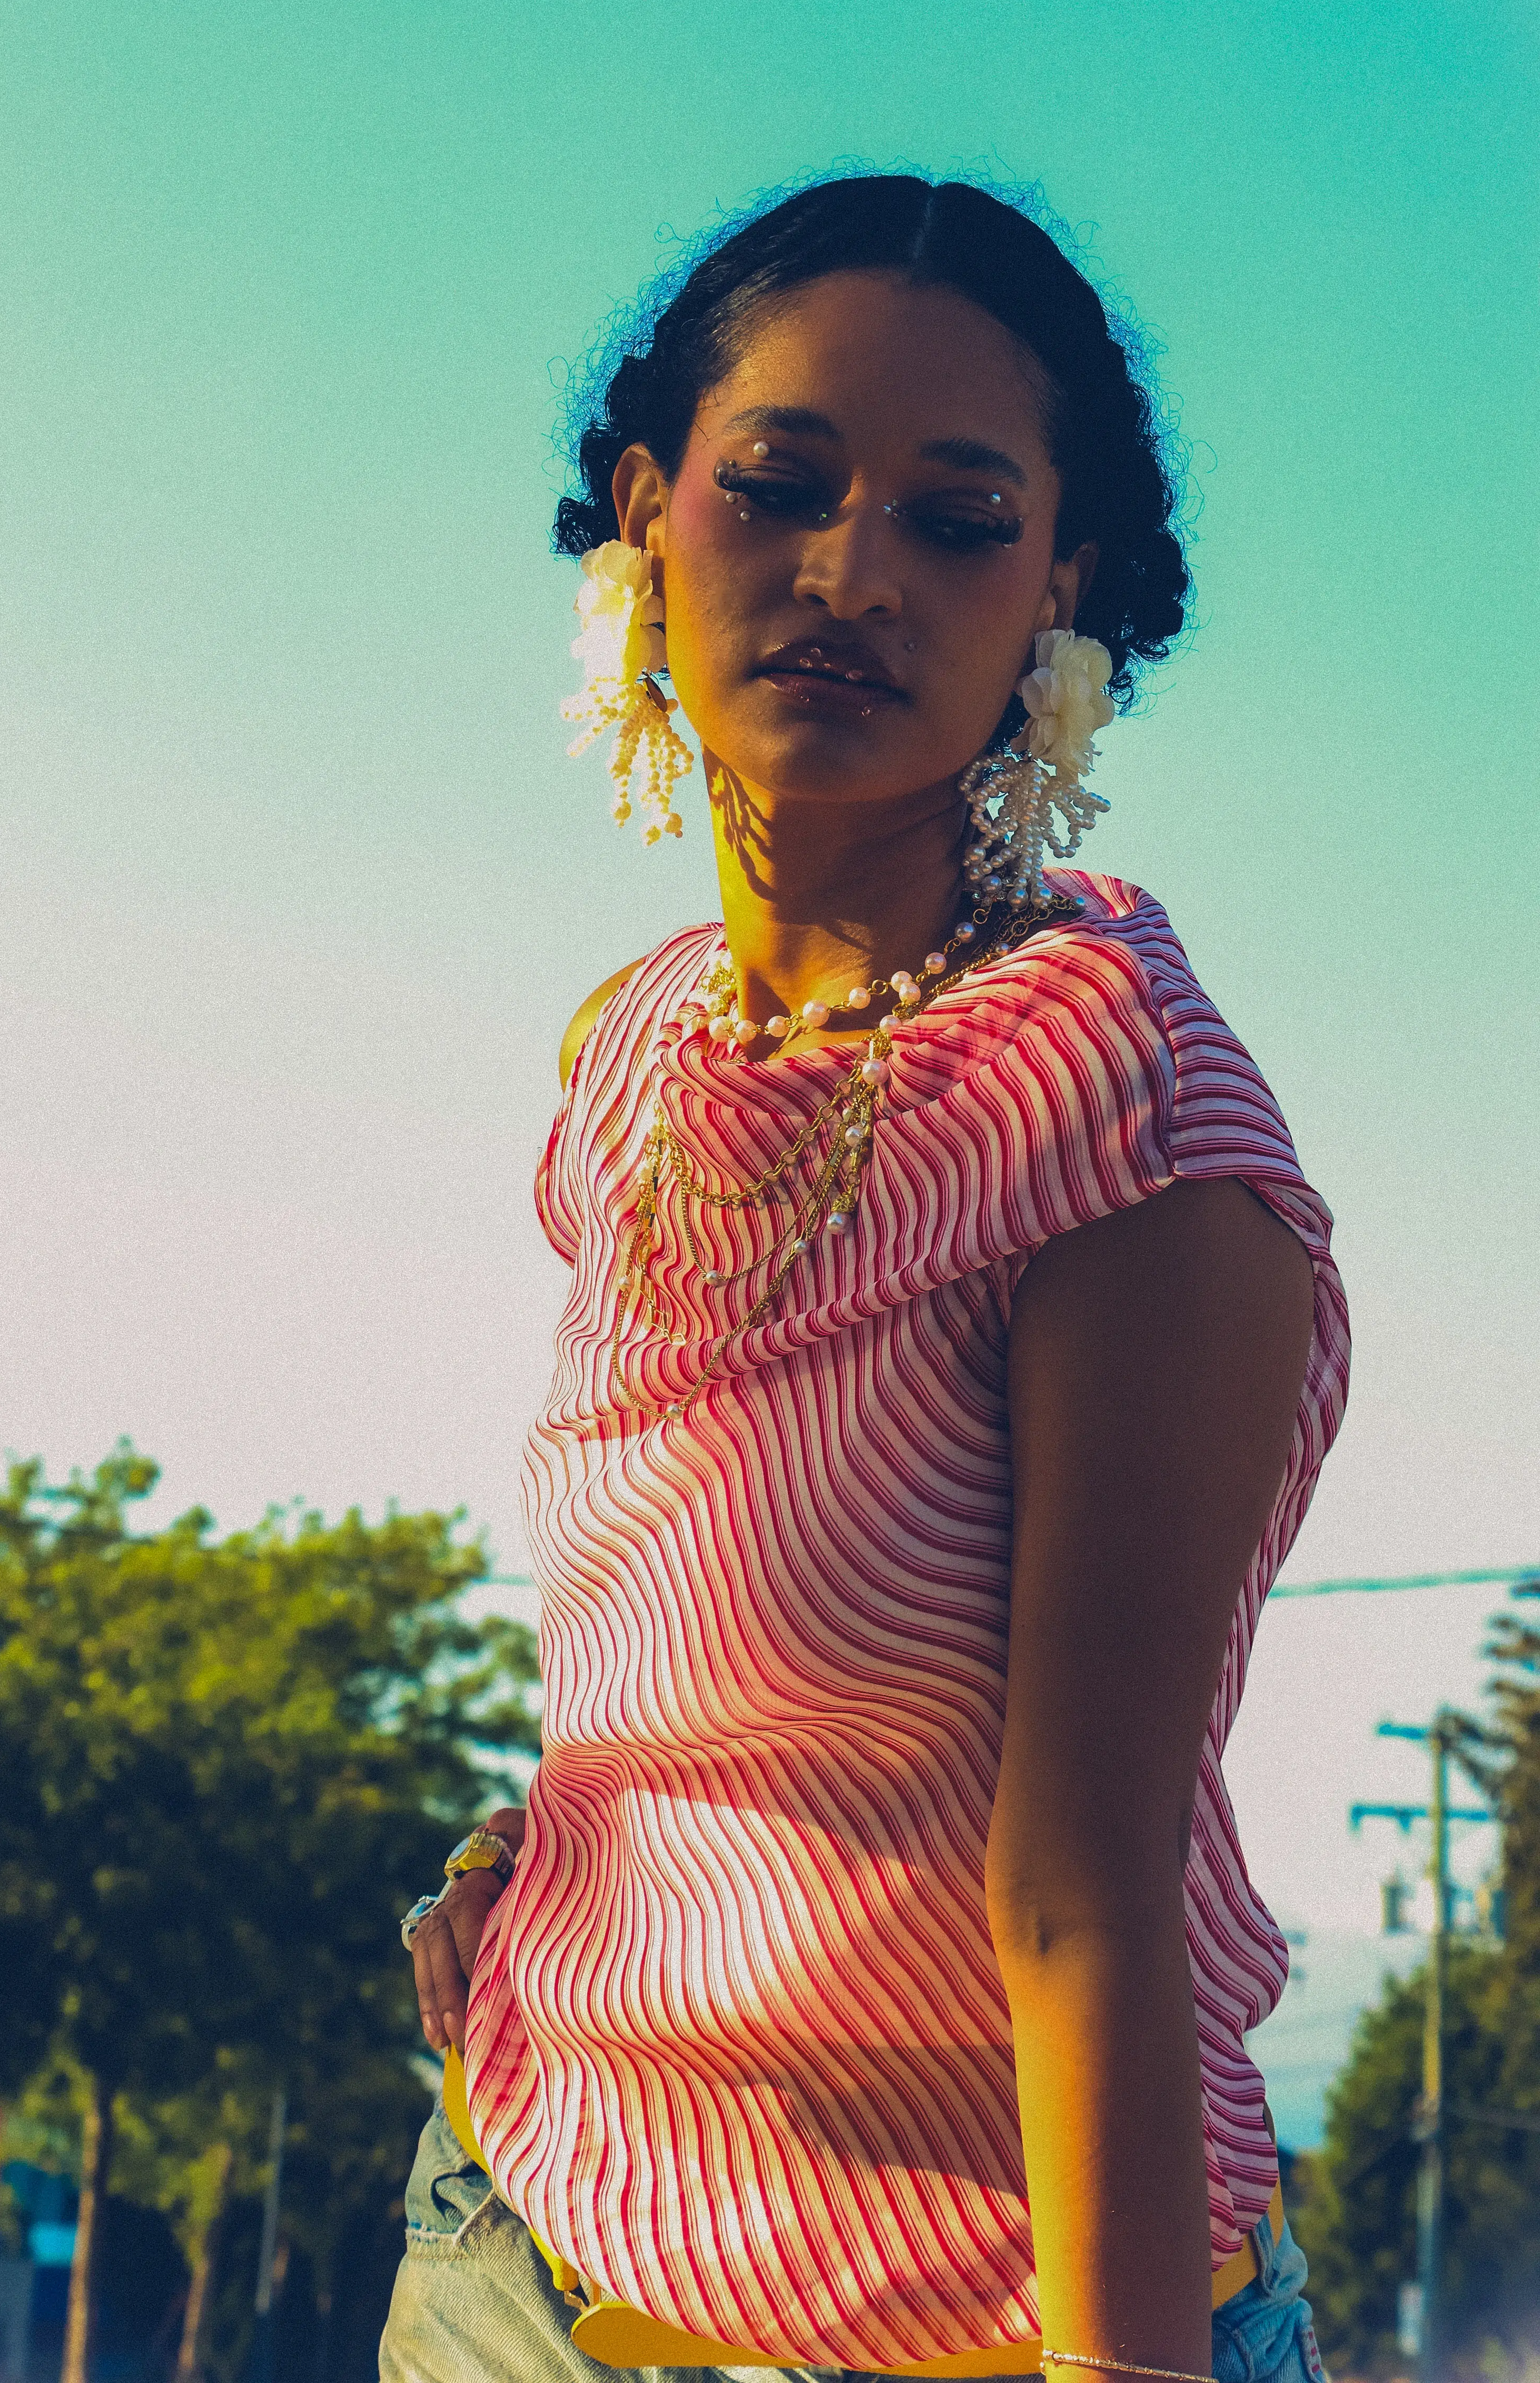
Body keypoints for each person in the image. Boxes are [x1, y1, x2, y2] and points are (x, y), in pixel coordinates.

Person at [382, 174, 1349, 2383]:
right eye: (780, 485)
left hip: (974, 2332)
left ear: (1057, 593)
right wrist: (549, 1870)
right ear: (647, 515)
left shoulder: (1116, 1119)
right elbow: (718, 1640)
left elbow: (1074, 1894)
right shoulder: (625, 1053)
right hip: (512, 2259)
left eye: (954, 519)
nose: (848, 574)